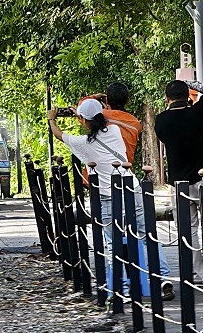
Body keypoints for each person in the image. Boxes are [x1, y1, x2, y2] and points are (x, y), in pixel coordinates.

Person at [48, 98, 174, 300]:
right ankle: (163, 279)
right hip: (132, 189)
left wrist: (52, 119)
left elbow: (59, 135)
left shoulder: (83, 144)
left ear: (83, 119)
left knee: (111, 241)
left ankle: (119, 287)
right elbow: (103, 118)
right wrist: (86, 112)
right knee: (146, 235)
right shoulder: (114, 131)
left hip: (107, 196)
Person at [154, 80, 203, 282]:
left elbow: (164, 139)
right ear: (188, 96)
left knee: (187, 228)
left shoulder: (162, 120)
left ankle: (197, 270)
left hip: (179, 182)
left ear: (167, 99)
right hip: (202, 177)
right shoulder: (199, 113)